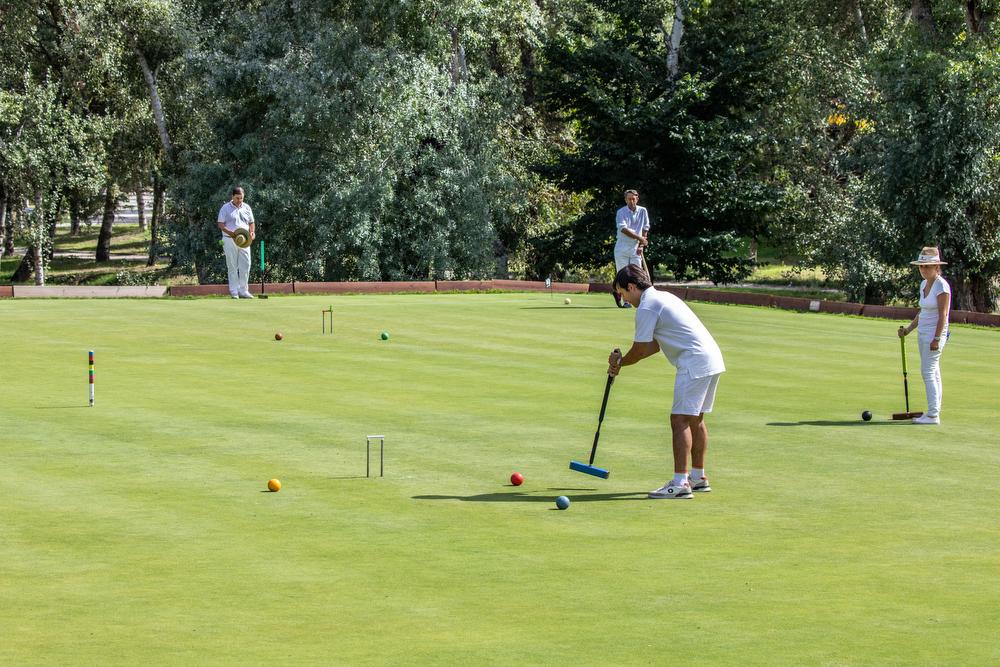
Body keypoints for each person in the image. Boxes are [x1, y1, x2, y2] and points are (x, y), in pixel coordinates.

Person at [608, 264, 726, 499]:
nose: (623, 299)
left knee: (680, 420)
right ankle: (698, 477)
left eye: (622, 293)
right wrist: (622, 362)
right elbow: (656, 344)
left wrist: (618, 364)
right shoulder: (663, 297)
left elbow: (640, 350)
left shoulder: (647, 306)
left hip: (694, 362)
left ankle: (680, 483)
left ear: (632, 287)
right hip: (711, 359)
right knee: (695, 419)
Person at [897, 246, 951, 425]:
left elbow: (943, 315)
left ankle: (933, 415)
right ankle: (934, 411)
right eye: (921, 266)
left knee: (927, 371)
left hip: (935, 334)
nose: (923, 269)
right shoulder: (923, 284)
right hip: (923, 333)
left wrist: (936, 339)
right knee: (933, 372)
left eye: (927, 266)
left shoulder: (942, 286)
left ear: (937, 267)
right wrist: (908, 330)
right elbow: (923, 312)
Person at [613, 189, 650, 307]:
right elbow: (623, 229)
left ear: (637, 199)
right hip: (622, 247)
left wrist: (641, 245)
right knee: (623, 275)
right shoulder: (621, 212)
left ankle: (640, 300)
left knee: (636, 275)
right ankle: (625, 300)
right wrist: (640, 239)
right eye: (629, 199)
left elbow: (645, 227)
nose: (631, 201)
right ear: (625, 199)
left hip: (635, 248)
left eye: (633, 199)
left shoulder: (643, 211)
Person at [217, 186, 256, 298]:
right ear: (232, 196)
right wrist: (232, 234)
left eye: (241, 198)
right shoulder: (225, 208)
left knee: (246, 264)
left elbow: (251, 223)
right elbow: (220, 224)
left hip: (245, 240)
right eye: (237, 198)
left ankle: (243, 291)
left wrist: (252, 232)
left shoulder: (247, 207)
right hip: (229, 239)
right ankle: (234, 291)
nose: (239, 200)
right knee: (232, 265)